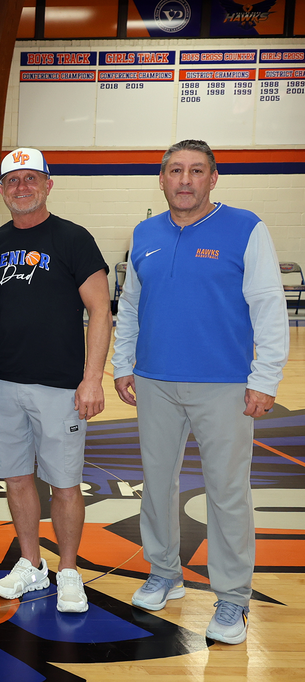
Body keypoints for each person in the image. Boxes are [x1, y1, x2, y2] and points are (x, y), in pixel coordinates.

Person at [112, 139, 289, 644]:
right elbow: (130, 307)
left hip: (226, 386)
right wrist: (123, 364)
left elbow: (268, 308)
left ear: (214, 178)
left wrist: (265, 379)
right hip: (154, 382)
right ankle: (164, 572)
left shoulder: (246, 228)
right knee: (157, 483)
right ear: (161, 179)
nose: (184, 180)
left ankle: (232, 597)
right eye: (174, 171)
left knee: (228, 494)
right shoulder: (144, 232)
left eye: (195, 171)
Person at [0, 148, 111, 614]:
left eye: (31, 179)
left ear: (48, 184)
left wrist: (92, 379)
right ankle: (31, 565)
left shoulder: (74, 239)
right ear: (2, 190)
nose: (22, 187)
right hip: (3, 384)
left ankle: (69, 570)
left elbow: (100, 310)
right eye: (12, 181)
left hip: (61, 387)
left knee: (65, 484)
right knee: (16, 480)